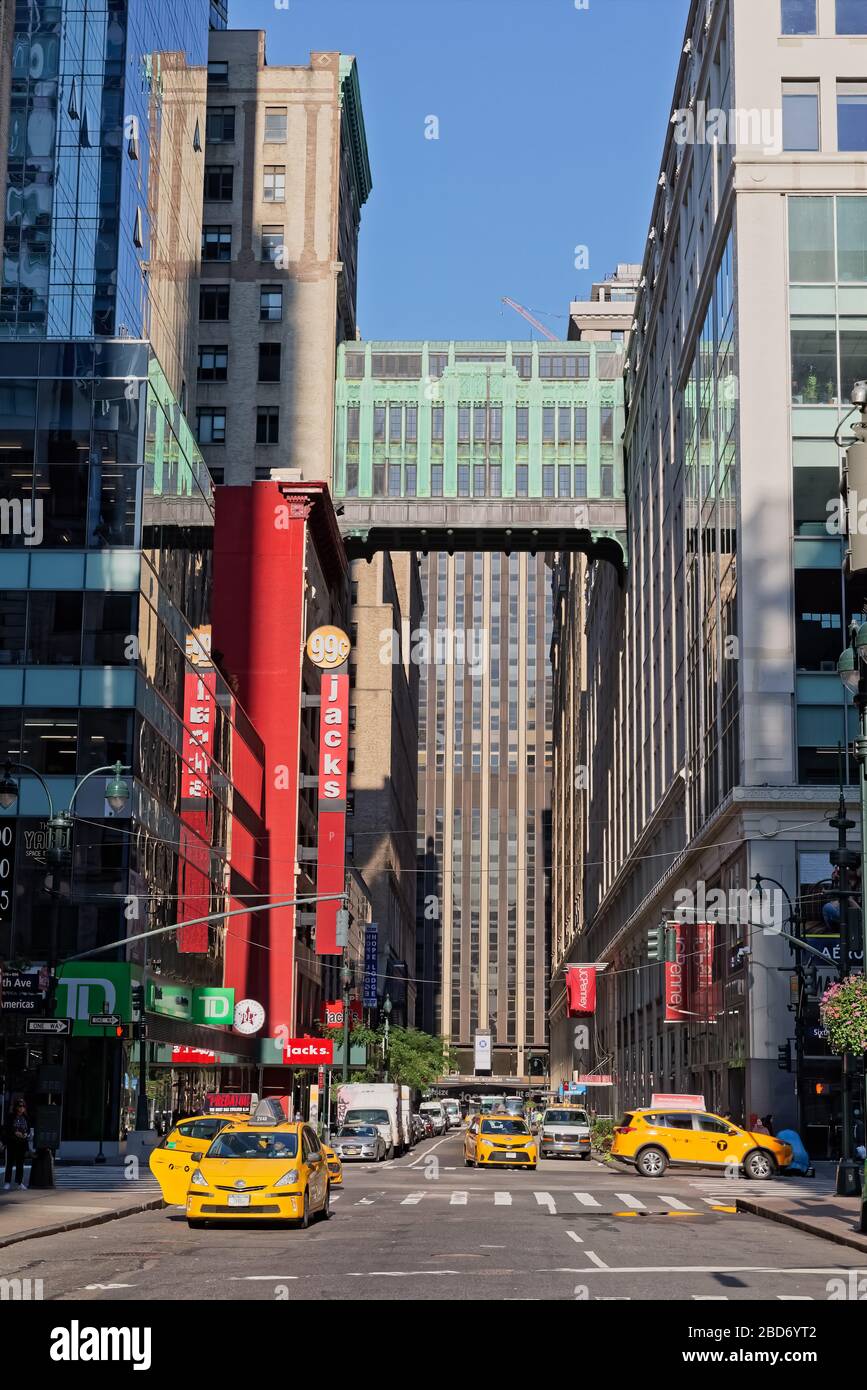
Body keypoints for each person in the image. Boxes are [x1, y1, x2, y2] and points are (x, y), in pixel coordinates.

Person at [3, 1097, 30, 1190]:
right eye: (20, 1106)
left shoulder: (26, 1117)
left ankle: (19, 1182)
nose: (21, 1108)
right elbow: (6, 1128)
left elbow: (28, 1129)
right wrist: (15, 1132)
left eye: (23, 1106)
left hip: (22, 1143)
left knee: (20, 1164)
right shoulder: (11, 1116)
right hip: (12, 1142)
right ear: (16, 1107)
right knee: (9, 1163)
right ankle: (7, 1182)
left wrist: (26, 1134)